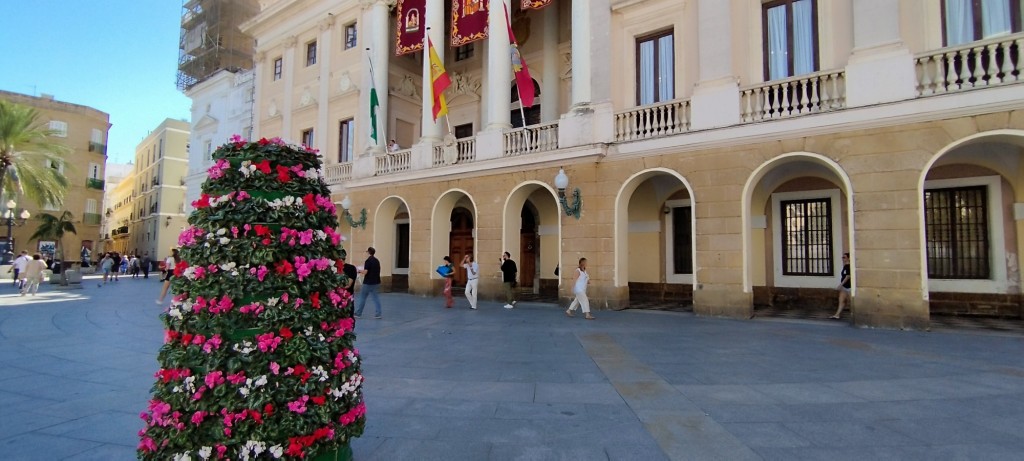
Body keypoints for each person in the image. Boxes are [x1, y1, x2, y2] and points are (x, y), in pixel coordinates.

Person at [353, 247, 382, 319]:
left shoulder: (368, 261)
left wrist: (359, 271)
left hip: (368, 282)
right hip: (376, 282)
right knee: (376, 298)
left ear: (368, 252)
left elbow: (366, 272)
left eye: (366, 252)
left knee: (363, 298)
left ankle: (358, 313)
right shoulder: (377, 260)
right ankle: (378, 313)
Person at [832, 253, 852, 319]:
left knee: (851, 301)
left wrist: (840, 285)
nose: (843, 259)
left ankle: (855, 314)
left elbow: (848, 276)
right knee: (841, 300)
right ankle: (837, 314)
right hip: (844, 287)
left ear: (848, 258)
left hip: (849, 286)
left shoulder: (849, 266)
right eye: (842, 257)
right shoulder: (845, 266)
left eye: (844, 257)